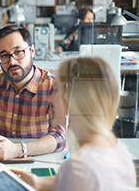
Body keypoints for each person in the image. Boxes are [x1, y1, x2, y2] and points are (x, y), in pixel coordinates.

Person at [12, 57, 136, 191]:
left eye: (57, 90)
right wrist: (38, 183)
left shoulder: (78, 167)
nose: (51, 98)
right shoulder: (119, 150)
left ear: (74, 99)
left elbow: (81, 177)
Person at [0, 25, 66, 161]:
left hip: (40, 159)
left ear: (32, 51)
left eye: (18, 52)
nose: (12, 61)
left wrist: (18, 150)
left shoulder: (53, 87)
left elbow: (60, 137)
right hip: (0, 161)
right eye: (4, 55)